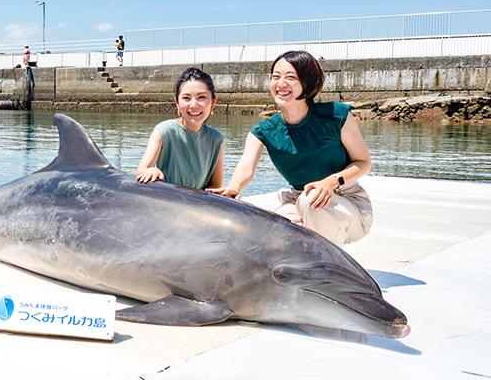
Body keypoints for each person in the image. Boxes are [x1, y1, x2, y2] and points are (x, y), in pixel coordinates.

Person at [220, 50, 373, 246]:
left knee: (311, 200)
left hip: (347, 202)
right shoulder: (264, 130)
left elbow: (364, 163)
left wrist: (330, 182)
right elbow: (246, 167)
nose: (280, 83)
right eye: (276, 77)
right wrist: (233, 188)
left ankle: (327, 269)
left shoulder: (336, 116)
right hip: (299, 200)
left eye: (290, 77)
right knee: (272, 233)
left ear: (307, 82)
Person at [136, 67, 224, 190]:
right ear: (177, 102)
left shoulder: (216, 138)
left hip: (196, 205)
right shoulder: (164, 130)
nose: (193, 105)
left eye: (201, 97)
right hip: (166, 202)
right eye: (186, 98)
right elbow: (141, 170)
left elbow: (215, 186)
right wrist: (151, 171)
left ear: (213, 102)